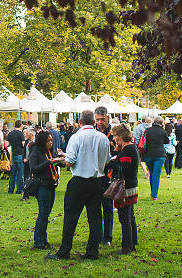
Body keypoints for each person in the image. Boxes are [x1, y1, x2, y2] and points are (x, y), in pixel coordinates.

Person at [46, 110, 109, 261]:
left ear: (80, 123)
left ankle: (64, 251)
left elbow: (71, 161)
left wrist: (63, 160)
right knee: (95, 218)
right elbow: (106, 161)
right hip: (97, 180)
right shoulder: (102, 138)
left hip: (79, 181)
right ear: (94, 123)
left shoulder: (76, 137)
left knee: (71, 217)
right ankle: (92, 251)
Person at [105, 124, 139, 254]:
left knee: (125, 218)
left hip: (125, 187)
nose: (113, 139)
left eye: (115, 136)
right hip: (131, 185)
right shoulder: (128, 147)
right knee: (129, 216)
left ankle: (127, 247)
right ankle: (132, 243)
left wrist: (112, 163)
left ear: (120, 136)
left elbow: (124, 168)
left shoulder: (128, 150)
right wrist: (117, 152)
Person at [29, 130, 61, 250]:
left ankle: (43, 239)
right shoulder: (36, 151)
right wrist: (48, 162)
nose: (51, 143)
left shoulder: (50, 151)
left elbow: (54, 163)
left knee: (46, 214)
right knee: (43, 213)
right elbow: (33, 168)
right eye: (48, 141)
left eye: (52, 140)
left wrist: (60, 160)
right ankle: (38, 241)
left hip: (51, 184)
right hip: (42, 185)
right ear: (43, 141)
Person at [93, 106, 114, 247]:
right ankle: (97, 235)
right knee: (95, 208)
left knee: (107, 208)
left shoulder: (114, 134)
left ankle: (107, 237)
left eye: (102, 119)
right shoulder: (92, 133)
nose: (100, 122)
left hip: (109, 176)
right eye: (97, 120)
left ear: (107, 117)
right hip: (95, 175)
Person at [141, 116, 169, 200]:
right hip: (160, 155)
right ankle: (154, 195)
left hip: (148, 155)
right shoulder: (163, 132)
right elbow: (166, 141)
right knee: (156, 174)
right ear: (161, 123)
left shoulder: (147, 130)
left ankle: (152, 192)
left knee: (152, 173)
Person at [5, 120, 26, 195]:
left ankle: (10, 190)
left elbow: (6, 144)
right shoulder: (21, 134)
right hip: (20, 154)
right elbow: (24, 144)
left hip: (13, 154)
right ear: (21, 126)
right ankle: (19, 190)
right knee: (20, 174)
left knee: (13, 173)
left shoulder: (10, 133)